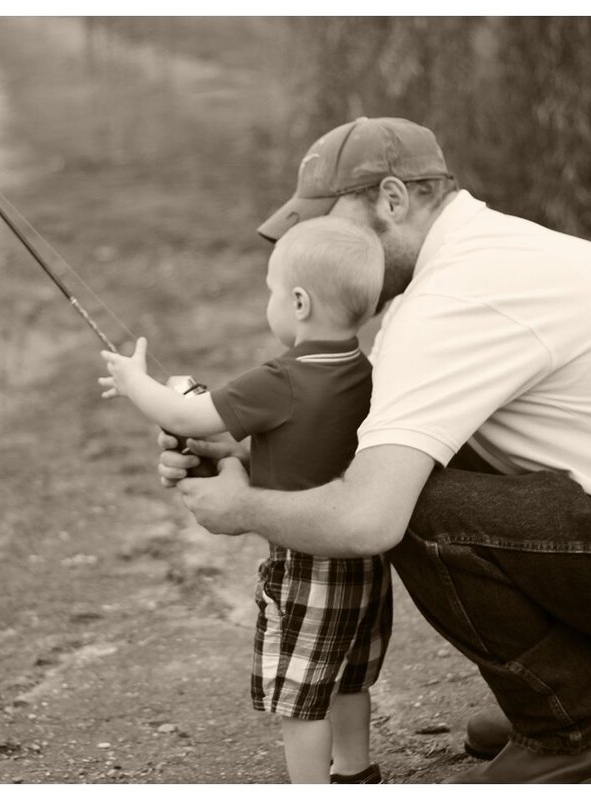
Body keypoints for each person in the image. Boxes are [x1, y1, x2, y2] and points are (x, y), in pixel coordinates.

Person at [157, 117, 591, 783]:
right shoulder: (496, 255)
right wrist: (243, 454)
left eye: (328, 224)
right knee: (412, 465)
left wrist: (243, 507)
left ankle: (575, 732)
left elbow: (368, 517)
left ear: (394, 200)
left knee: (417, 505)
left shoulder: (451, 300)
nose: (314, 247)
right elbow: (360, 443)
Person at [99, 217, 393, 783]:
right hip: (362, 557)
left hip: (306, 562)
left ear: (300, 303)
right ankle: (355, 772)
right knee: (350, 675)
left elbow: (183, 414)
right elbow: (307, 449)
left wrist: (135, 382)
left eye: (271, 291)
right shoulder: (366, 372)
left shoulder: (278, 379)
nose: (270, 301)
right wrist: (231, 455)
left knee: (300, 695)